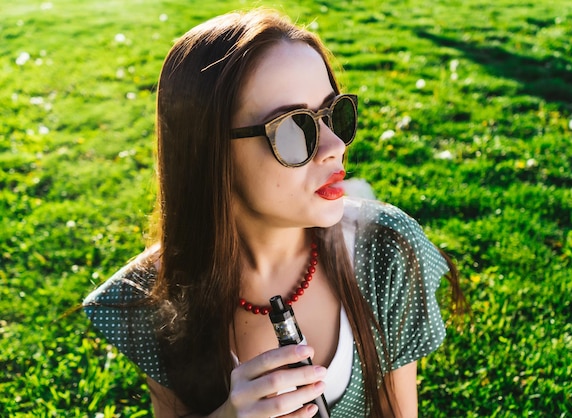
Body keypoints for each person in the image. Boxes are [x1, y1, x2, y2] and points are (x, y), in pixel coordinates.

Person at [83, 8, 466, 418]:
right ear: (208, 153)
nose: (334, 145)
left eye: (333, 113)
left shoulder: (383, 249)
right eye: (294, 128)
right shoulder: (148, 295)